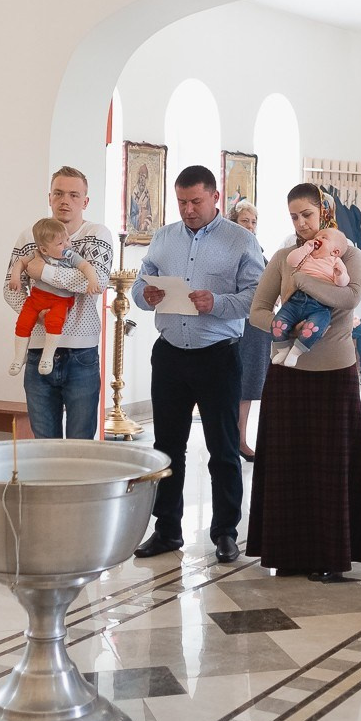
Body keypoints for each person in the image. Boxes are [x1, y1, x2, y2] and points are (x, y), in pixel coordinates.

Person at [131, 166, 267, 565]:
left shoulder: (241, 241)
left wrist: (218, 303)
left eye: (196, 201)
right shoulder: (163, 238)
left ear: (215, 198)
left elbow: (257, 297)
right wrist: (147, 294)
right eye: (182, 202)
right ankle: (167, 530)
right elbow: (140, 285)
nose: (188, 210)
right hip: (170, 353)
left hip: (218, 355)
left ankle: (225, 531)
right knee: (166, 445)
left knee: (222, 448)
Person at [245, 182, 361, 580]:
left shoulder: (348, 253)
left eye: (307, 214)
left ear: (323, 211)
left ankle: (331, 556)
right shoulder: (285, 257)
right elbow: (257, 311)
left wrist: (301, 284)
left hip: (334, 373)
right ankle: (287, 552)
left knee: (329, 465)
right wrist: (282, 329)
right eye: (294, 217)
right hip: (288, 373)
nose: (302, 224)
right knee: (288, 463)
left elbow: (349, 298)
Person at [7, 168, 115, 440]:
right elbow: (11, 288)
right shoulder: (28, 237)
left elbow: (96, 283)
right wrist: (35, 313)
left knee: (80, 445)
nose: (65, 200)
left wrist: (42, 272)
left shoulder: (97, 234)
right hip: (37, 351)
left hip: (81, 353)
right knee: (44, 446)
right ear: (50, 198)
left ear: (85, 202)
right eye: (58, 193)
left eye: (73, 194)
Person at [6, 217, 100, 377]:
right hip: (37, 298)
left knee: (55, 322)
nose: (67, 245)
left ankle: (47, 357)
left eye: (68, 240)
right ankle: (19, 356)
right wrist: (15, 277)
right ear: (44, 250)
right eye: (60, 244)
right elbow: (20, 263)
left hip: (60, 301)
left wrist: (92, 281)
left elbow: (85, 266)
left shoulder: (70, 256)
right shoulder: (37, 254)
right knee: (23, 322)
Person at [270, 225, 350, 367]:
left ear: (335, 251)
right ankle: (282, 349)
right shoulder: (306, 256)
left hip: (320, 305)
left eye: (324, 238)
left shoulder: (335, 262)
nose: (317, 239)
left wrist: (340, 275)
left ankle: (295, 352)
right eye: (317, 237)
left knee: (314, 328)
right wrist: (305, 248)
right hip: (296, 300)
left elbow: (343, 283)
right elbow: (291, 261)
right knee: (278, 323)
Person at [232, 201, 267, 462]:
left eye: (253, 221)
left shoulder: (258, 249)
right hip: (234, 323)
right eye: (245, 220)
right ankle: (231, 439)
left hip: (256, 327)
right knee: (232, 384)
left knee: (249, 385)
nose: (250, 226)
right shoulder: (226, 249)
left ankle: (241, 439)